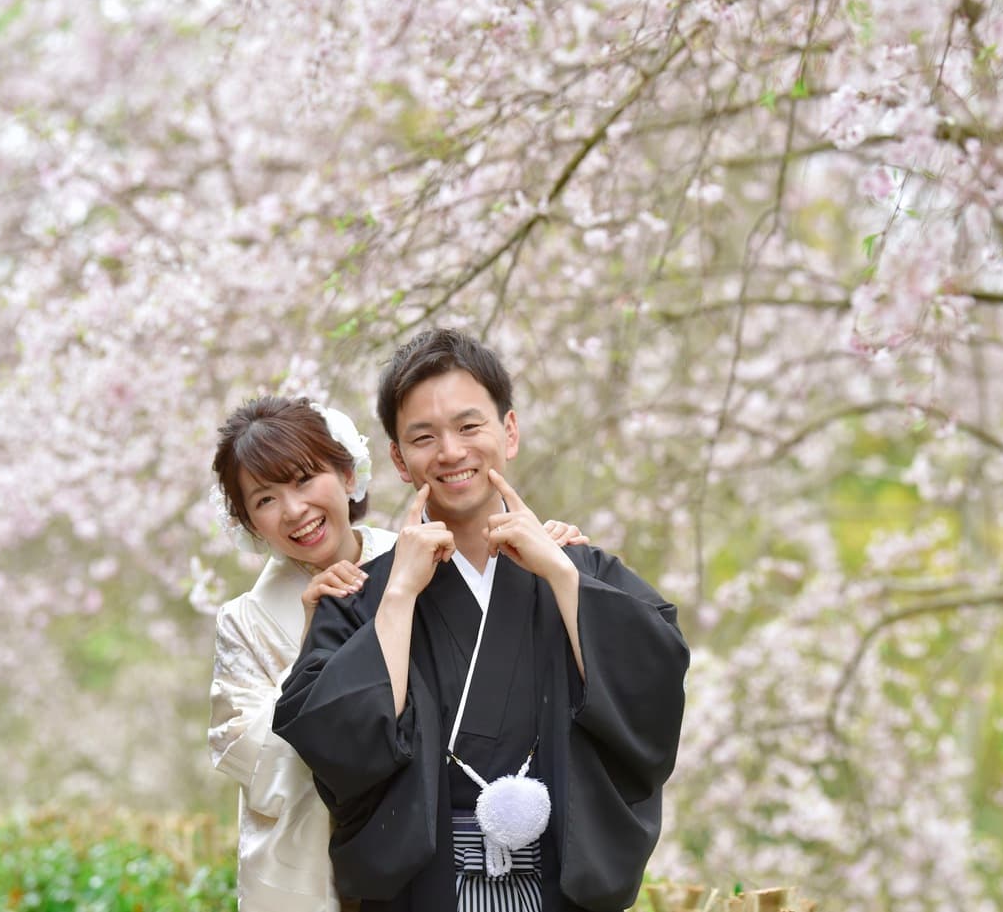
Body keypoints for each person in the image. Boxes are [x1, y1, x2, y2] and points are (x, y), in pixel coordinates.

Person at [273, 330, 690, 912]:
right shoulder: (363, 593)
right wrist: (398, 595)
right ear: (398, 459)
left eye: (470, 427)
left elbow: (655, 689)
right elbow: (333, 743)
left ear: (509, 432)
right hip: (424, 892)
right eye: (423, 437)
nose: (450, 452)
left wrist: (564, 578)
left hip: (558, 891)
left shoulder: (579, 569)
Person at [206, 394, 588, 912]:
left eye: (303, 480)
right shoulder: (246, 620)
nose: (294, 510)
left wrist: (553, 560)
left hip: (439, 858)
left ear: (346, 475)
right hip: (311, 863)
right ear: (249, 522)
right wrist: (315, 661)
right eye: (265, 500)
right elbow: (249, 756)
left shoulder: (423, 555)